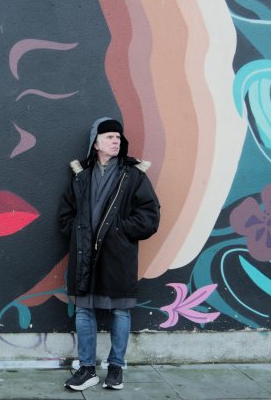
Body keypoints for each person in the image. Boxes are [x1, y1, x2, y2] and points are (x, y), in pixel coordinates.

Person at [58, 117, 160, 391]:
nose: (116, 141)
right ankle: (87, 369)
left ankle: (116, 367)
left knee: (121, 310)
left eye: (118, 137)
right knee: (84, 310)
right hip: (84, 255)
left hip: (118, 254)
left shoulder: (133, 175)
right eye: (109, 137)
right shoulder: (81, 176)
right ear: (96, 143)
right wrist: (79, 232)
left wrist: (119, 231)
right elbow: (65, 215)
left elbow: (150, 215)